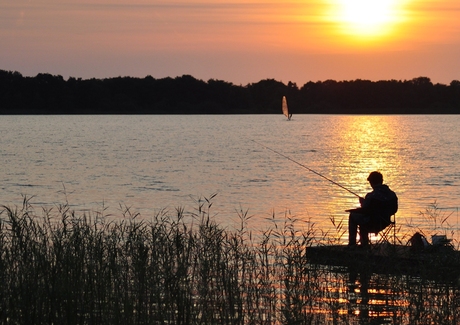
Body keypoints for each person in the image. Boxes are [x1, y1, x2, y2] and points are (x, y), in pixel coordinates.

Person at [347, 171, 398, 248]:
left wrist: (362, 202)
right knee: (364, 218)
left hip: (372, 223)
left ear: (371, 182)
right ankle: (363, 244)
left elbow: (365, 210)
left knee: (354, 216)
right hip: (385, 222)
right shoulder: (392, 194)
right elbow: (394, 210)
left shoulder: (371, 196)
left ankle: (354, 244)